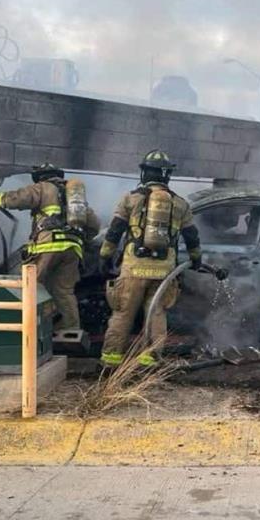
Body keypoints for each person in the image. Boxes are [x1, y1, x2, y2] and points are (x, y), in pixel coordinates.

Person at [97, 149, 202, 368]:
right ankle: (150, 360)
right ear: (167, 176)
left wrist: (105, 257)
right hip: (164, 272)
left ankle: (110, 361)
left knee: (123, 313)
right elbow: (192, 236)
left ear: (144, 173)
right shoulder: (180, 204)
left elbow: (114, 231)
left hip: (134, 269)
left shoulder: (130, 199)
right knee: (156, 314)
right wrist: (196, 259)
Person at [0, 163, 100, 333]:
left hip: (47, 247)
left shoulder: (42, 188)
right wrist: (80, 239)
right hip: (73, 250)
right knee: (64, 292)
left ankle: (36, 331)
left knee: (34, 288)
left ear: (39, 177)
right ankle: (71, 331)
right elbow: (95, 225)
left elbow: (16, 199)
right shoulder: (74, 197)